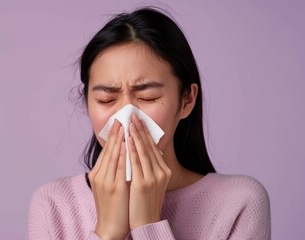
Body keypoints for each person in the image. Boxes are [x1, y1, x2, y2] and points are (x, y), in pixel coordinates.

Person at [27, 7, 270, 240]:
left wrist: (148, 225)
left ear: (186, 100)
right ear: (87, 103)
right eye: (106, 99)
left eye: (148, 97)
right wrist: (108, 231)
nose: (127, 116)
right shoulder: (53, 204)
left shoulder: (239, 201)